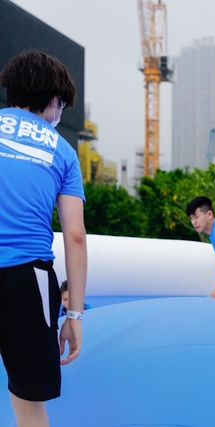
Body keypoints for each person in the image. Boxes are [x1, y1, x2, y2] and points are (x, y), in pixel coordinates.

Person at [0, 50, 87, 426]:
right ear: (55, 101)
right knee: (28, 399)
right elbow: (75, 236)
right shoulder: (63, 151)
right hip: (27, 278)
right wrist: (74, 315)